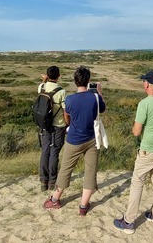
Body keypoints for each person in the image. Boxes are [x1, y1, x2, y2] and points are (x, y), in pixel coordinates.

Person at [113, 71, 153, 235]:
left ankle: (129, 221)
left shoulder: (144, 104)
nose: (143, 84)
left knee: (137, 181)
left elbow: (136, 131)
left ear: (148, 84)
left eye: (144, 82)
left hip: (149, 148)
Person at [43, 66, 105, 216]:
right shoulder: (94, 98)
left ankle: (55, 199)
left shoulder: (70, 99)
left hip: (74, 139)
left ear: (75, 81)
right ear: (88, 80)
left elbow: (67, 117)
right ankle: (83, 206)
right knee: (90, 172)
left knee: (65, 170)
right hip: (92, 139)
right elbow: (101, 109)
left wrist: (71, 124)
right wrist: (100, 93)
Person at [37, 66, 67, 192]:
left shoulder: (41, 87)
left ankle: (44, 180)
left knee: (45, 151)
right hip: (58, 125)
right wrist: (68, 124)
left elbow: (42, 88)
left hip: (44, 125)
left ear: (47, 76)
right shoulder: (61, 91)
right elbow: (66, 111)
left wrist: (44, 80)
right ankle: (52, 181)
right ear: (58, 76)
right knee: (54, 151)